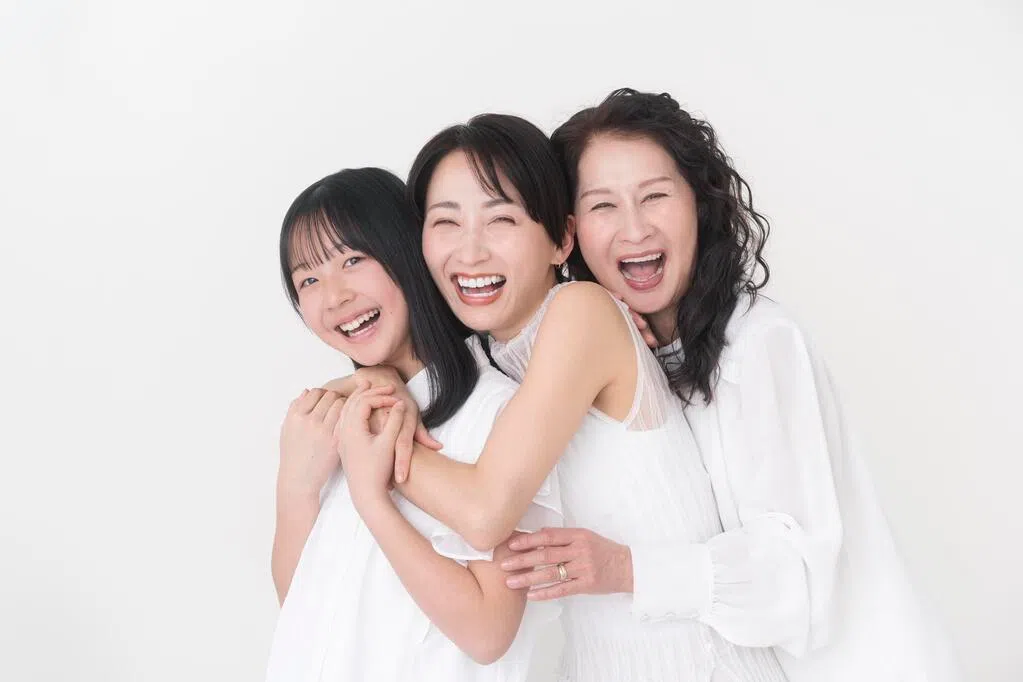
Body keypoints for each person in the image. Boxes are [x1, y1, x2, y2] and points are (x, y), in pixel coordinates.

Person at [500, 88, 960, 681]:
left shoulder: (759, 344)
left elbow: (795, 579)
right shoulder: (599, 350)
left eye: (655, 196)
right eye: (603, 205)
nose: (634, 228)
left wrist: (624, 569)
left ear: (699, 203)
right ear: (570, 232)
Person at [346, 113, 791, 681]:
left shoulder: (581, 312)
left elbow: (484, 514)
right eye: (446, 222)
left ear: (561, 239)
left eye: (501, 219)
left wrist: (372, 452)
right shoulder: (485, 356)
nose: (470, 252)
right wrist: (375, 387)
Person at [265, 167, 561, 682]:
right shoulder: (330, 421)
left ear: (407, 251)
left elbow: (489, 632)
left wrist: (373, 500)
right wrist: (296, 489)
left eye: (352, 260)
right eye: (308, 280)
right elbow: (305, 607)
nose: (334, 296)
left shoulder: (495, 411)